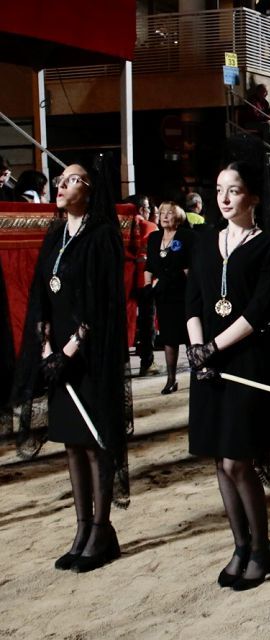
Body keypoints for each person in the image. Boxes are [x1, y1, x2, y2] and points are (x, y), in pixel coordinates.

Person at [186, 134, 270, 591]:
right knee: (218, 460)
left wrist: (214, 348)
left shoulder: (268, 246)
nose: (224, 198)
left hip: (247, 362)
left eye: (233, 190)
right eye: (218, 191)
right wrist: (196, 350)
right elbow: (193, 302)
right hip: (207, 365)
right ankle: (239, 545)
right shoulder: (206, 243)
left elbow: (259, 310)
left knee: (237, 461)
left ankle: (263, 547)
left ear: (251, 196)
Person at [11, 157, 130, 573]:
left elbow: (101, 306)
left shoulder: (102, 238)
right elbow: (41, 295)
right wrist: (46, 349)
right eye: (61, 179)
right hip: (57, 358)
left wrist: (69, 351)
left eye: (73, 180)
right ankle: (81, 528)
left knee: (96, 442)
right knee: (72, 443)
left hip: (89, 357)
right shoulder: (56, 232)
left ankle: (102, 529)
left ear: (92, 191)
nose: (62, 185)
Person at [145, 202, 193, 394]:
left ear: (179, 217)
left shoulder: (186, 236)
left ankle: (198, 375)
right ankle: (171, 379)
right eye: (162, 213)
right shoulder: (154, 237)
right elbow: (149, 265)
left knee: (191, 336)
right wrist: (148, 286)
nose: (164, 216)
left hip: (183, 292)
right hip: (163, 294)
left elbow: (190, 266)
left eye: (170, 213)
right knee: (169, 338)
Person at [127, 195, 159, 375]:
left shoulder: (119, 226)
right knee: (147, 321)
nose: (149, 211)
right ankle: (147, 362)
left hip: (125, 281)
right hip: (145, 281)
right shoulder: (150, 227)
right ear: (140, 209)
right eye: (147, 208)